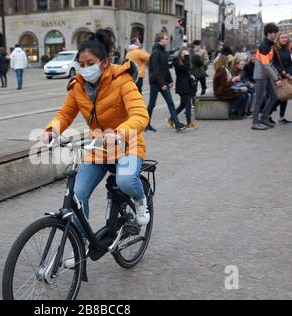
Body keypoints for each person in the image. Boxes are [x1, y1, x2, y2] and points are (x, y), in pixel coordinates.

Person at [41, 29, 150, 245]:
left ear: (105, 62)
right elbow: (65, 114)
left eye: (89, 63)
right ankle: (81, 243)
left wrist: (119, 132)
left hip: (127, 142)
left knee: (126, 181)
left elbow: (140, 114)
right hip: (99, 146)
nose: (84, 69)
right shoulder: (78, 86)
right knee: (78, 195)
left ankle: (140, 199)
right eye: (80, 64)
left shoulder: (122, 80)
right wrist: (51, 130)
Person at [147, 33, 186, 132]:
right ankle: (146, 125)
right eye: (166, 39)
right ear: (160, 40)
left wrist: (170, 80)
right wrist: (162, 84)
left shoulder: (164, 52)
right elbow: (156, 70)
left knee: (170, 102)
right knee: (152, 104)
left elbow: (166, 68)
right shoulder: (156, 52)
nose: (167, 40)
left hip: (163, 82)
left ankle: (176, 123)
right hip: (156, 83)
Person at [251, 23, 283, 130]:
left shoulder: (269, 45)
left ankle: (264, 118)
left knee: (274, 97)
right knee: (258, 100)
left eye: (275, 32)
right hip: (261, 76)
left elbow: (269, 64)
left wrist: (276, 75)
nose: (275, 35)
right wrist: (276, 79)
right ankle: (255, 123)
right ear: (268, 34)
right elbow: (266, 66)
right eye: (273, 33)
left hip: (266, 76)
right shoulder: (264, 47)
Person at [213, 55, 248, 119]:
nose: (227, 63)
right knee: (241, 95)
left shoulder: (222, 69)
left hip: (223, 90)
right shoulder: (222, 70)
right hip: (221, 92)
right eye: (226, 61)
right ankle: (233, 112)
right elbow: (224, 85)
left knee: (244, 94)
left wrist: (232, 80)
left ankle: (240, 113)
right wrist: (233, 80)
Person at [271, 32, 292, 124]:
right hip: (277, 76)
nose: (284, 39)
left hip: (286, 76)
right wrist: (281, 71)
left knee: (285, 96)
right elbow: (273, 64)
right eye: (282, 38)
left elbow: (290, 64)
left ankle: (281, 117)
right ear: (278, 39)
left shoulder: (287, 50)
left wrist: (289, 72)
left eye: (285, 37)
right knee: (278, 98)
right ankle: (267, 114)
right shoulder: (275, 50)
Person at [174, 48, 198, 129]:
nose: (185, 55)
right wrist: (187, 58)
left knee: (182, 105)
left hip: (186, 86)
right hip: (182, 87)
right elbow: (184, 69)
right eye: (183, 54)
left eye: (187, 54)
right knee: (188, 105)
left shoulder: (186, 63)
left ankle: (171, 118)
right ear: (180, 54)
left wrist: (191, 76)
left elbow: (187, 71)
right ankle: (189, 123)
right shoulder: (178, 62)